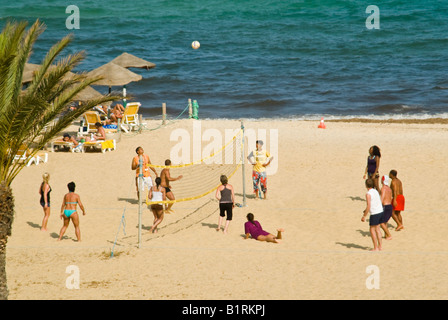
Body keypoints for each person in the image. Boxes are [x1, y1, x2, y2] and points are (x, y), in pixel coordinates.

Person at [361, 178, 384, 251]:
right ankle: (380, 246)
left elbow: (368, 206)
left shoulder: (368, 194)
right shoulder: (376, 191)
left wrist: (364, 216)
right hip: (380, 211)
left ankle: (375, 247)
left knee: (372, 229)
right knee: (378, 229)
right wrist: (366, 210)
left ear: (366, 185)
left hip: (375, 213)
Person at [379, 175, 393, 240]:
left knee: (381, 222)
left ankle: (389, 235)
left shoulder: (383, 188)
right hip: (390, 206)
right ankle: (386, 235)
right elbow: (390, 198)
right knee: (385, 222)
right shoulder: (389, 189)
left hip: (385, 206)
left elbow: (382, 198)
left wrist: (379, 206)